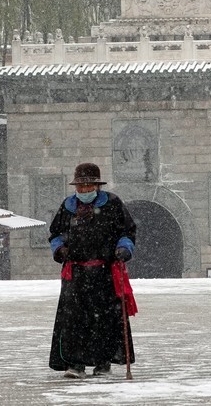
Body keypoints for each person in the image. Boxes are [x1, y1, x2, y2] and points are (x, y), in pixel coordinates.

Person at [48, 162, 138, 378]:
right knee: (74, 319)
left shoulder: (113, 204)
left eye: (89, 186)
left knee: (104, 319)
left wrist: (124, 248)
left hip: (105, 272)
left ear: (97, 186)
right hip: (76, 273)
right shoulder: (68, 206)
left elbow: (127, 231)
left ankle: (102, 362)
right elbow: (55, 234)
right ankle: (75, 364)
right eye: (81, 187)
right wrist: (59, 249)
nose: (85, 190)